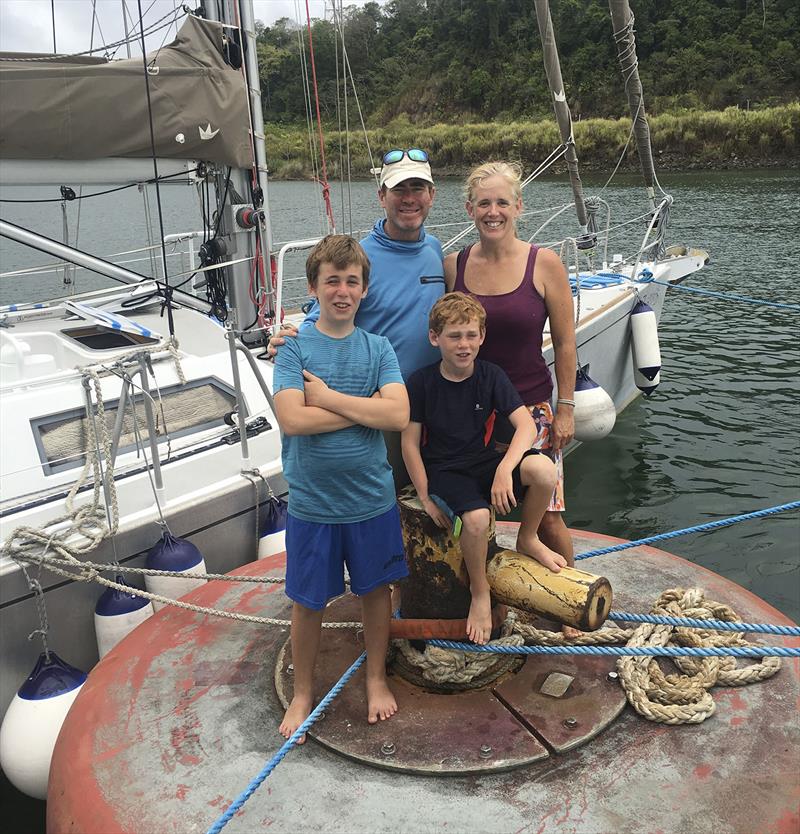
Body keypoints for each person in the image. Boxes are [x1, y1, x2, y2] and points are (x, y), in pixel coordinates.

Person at [271, 235, 410, 741]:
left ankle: (376, 677)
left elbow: (397, 414)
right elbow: (292, 420)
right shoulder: (293, 347)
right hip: (313, 504)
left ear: (365, 290)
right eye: (332, 280)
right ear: (314, 287)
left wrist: (326, 399)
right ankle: (304, 691)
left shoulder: (379, 347)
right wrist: (359, 409)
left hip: (371, 500)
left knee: (376, 593)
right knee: (308, 602)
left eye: (352, 281)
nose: (343, 291)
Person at [269, 148, 444, 486]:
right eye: (399, 190)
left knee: (431, 507)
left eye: (417, 188)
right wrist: (289, 341)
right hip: (378, 408)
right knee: (390, 503)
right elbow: (323, 317)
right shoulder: (361, 258)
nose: (409, 199)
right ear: (382, 196)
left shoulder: (434, 249)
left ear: (432, 195)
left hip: (431, 407)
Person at [401, 293, 564, 645]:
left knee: (544, 472)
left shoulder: (490, 375)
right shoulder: (421, 382)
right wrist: (427, 496)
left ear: (482, 337)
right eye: (455, 336)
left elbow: (527, 427)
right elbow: (410, 444)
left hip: (483, 459)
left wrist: (505, 468)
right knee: (475, 520)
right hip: (446, 469)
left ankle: (528, 537)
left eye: (471, 335)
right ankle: (479, 591)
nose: (464, 345)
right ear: (435, 338)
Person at [443, 161, 577, 569]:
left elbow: (566, 342)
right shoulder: (455, 266)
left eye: (502, 202)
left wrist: (566, 408)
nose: (493, 212)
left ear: (518, 206)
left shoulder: (544, 263)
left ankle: (571, 610)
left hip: (532, 410)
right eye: (484, 203)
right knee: (476, 515)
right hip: (472, 415)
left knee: (549, 520)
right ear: (470, 210)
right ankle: (487, 601)